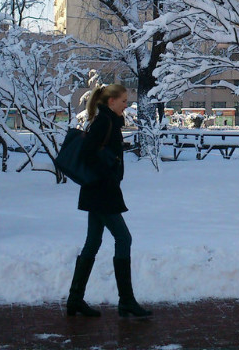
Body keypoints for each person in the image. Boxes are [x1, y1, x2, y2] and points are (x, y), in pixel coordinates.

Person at [66, 83, 152, 319]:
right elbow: (88, 155)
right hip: (102, 193)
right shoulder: (104, 122)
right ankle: (126, 301)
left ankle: (74, 299)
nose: (127, 105)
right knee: (124, 238)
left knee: (93, 242)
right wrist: (108, 175)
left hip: (98, 192)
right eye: (124, 101)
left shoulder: (107, 121)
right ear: (111, 102)